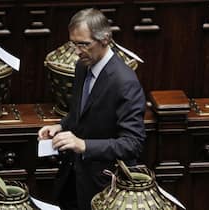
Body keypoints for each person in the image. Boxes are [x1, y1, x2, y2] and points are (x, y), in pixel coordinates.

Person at [38, 8, 146, 210]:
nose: (77, 51)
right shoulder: (83, 66)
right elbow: (82, 114)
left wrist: (84, 145)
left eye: (84, 44)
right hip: (73, 178)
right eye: (74, 44)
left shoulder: (125, 82)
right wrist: (60, 126)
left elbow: (132, 144)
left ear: (105, 39)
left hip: (103, 187)